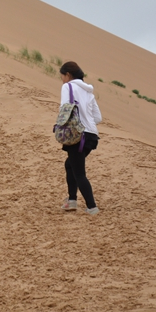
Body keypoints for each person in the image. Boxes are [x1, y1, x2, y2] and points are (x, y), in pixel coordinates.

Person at [58, 62, 102, 215]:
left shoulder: (67, 87)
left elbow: (64, 109)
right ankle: (72, 200)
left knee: (79, 173)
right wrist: (86, 121)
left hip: (77, 135)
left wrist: (75, 124)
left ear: (68, 75)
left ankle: (92, 207)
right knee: (70, 165)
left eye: (62, 76)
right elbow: (98, 117)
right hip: (91, 136)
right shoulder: (89, 92)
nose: (62, 80)